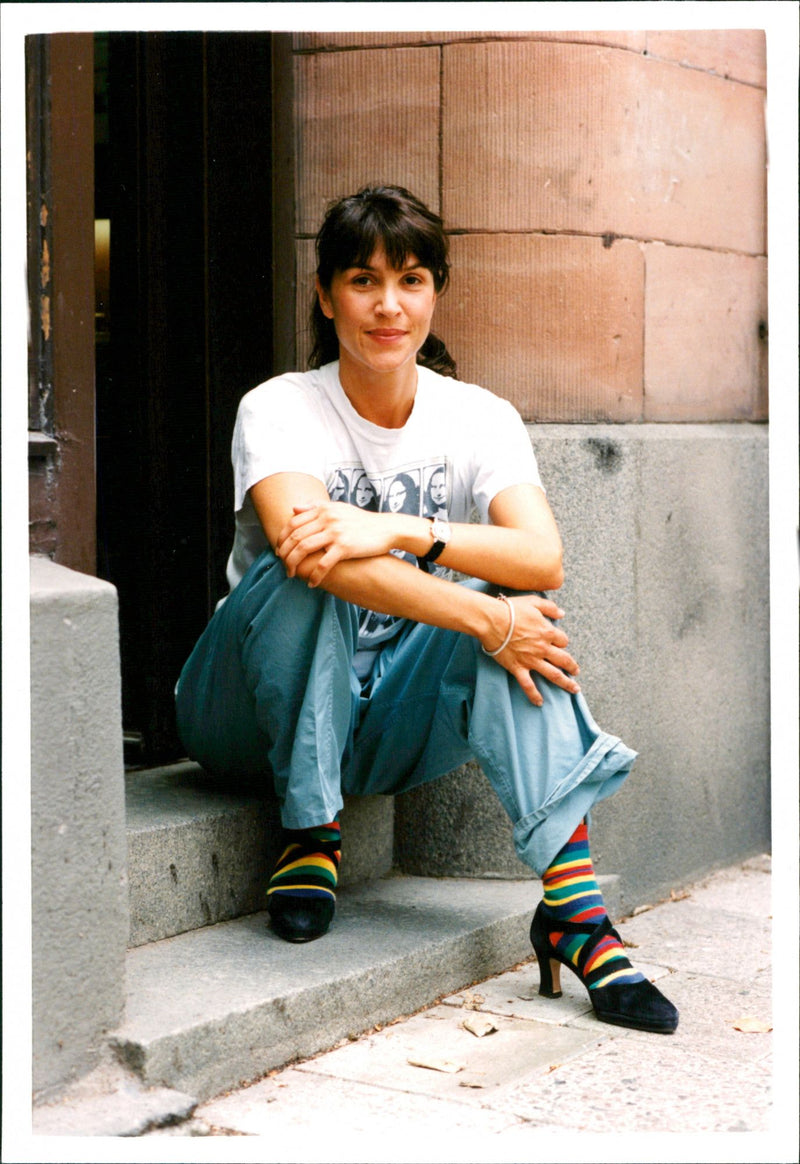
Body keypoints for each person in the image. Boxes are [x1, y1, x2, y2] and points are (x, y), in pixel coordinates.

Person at [176, 185, 678, 1035]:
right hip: (245, 723)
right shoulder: (279, 406)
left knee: (517, 597)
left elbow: (541, 555)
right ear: (325, 293)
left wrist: (400, 529)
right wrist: (485, 621)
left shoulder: (477, 416)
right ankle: (311, 831)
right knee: (318, 569)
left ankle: (575, 911)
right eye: (363, 280)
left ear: (435, 291)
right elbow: (309, 553)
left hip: (388, 730)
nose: (387, 304)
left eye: (410, 279)